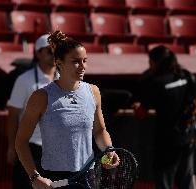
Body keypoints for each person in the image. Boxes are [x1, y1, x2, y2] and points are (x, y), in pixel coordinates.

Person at [15, 30, 120, 189]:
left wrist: (108, 150)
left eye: (85, 60)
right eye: (76, 61)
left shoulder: (93, 92)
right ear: (59, 62)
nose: (82, 66)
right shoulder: (41, 97)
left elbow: (99, 131)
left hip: (89, 177)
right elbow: (21, 141)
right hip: (54, 179)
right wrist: (35, 176)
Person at [133, 46, 196, 189]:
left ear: (155, 62)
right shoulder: (186, 75)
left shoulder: (156, 83)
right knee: (187, 180)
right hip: (187, 139)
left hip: (166, 143)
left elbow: (141, 113)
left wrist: (136, 106)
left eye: (150, 61)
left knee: (164, 181)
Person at [6, 34, 57, 189]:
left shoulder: (67, 79)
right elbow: (13, 115)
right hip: (30, 149)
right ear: (38, 53)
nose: (54, 54)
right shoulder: (24, 80)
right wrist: (11, 147)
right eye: (49, 50)